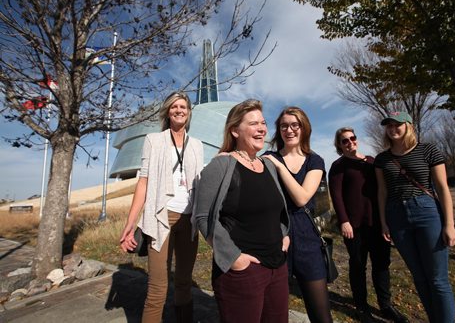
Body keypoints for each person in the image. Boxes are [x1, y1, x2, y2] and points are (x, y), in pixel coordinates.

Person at [194, 99, 290, 323]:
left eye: (263, 123)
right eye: (253, 123)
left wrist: (284, 235)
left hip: (278, 266)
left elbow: (276, 210)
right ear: (235, 131)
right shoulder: (221, 165)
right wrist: (235, 259)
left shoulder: (267, 165)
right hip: (243, 272)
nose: (261, 128)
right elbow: (203, 217)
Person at [119, 91, 204, 323]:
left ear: (188, 113)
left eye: (183, 107)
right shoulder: (153, 140)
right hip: (161, 217)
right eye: (174, 106)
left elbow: (199, 182)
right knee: (158, 287)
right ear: (168, 111)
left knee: (184, 283)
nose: (179, 110)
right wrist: (131, 222)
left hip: (189, 219)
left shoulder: (196, 145)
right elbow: (144, 181)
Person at [374, 111, 455, 323]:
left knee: (437, 280)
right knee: (419, 278)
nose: (392, 129)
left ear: (408, 125)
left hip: (426, 212)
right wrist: (384, 222)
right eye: (389, 126)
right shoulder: (382, 159)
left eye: (397, 125)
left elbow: (442, 187)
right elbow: (382, 192)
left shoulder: (427, 150)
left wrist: (449, 224)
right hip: (396, 216)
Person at [328, 127, 409, 323]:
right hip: (354, 226)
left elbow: (385, 189)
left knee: (382, 265)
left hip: (378, 223)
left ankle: (385, 305)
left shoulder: (373, 162)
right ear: (339, 145)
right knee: (358, 265)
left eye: (352, 138)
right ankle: (361, 307)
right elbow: (337, 197)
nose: (350, 143)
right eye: (344, 141)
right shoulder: (339, 166)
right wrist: (344, 221)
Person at [263, 106, 332, 323]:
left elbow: (302, 198)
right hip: (276, 237)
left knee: (320, 314)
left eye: (295, 125)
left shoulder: (314, 160)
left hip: (308, 238)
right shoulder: (268, 158)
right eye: (284, 126)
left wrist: (280, 167)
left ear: (304, 128)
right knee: (273, 312)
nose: (289, 130)